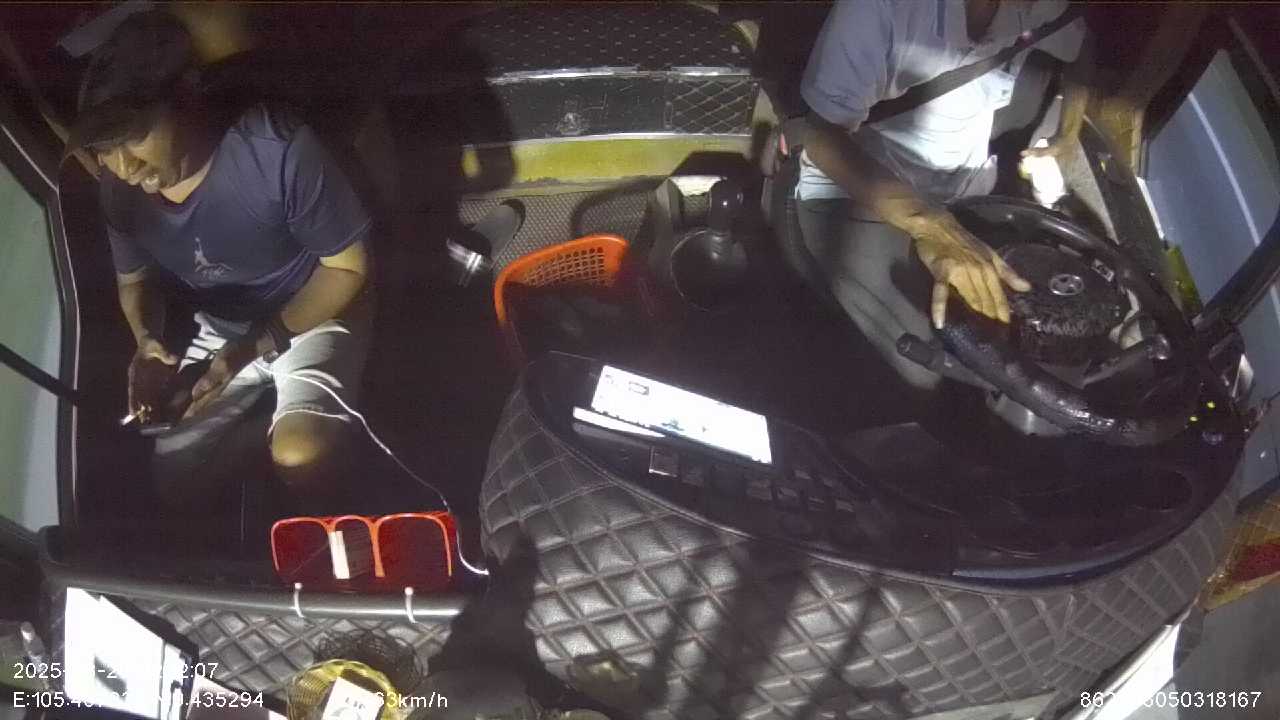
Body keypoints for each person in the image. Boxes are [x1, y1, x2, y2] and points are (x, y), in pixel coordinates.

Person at [66, 11, 375, 512]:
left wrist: (256, 346)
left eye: (135, 133)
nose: (124, 166)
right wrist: (146, 339)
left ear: (186, 95)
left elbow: (348, 269)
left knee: (300, 458)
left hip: (314, 307)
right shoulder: (118, 191)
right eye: (105, 147)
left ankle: (313, 435)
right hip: (224, 327)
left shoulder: (273, 149)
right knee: (176, 483)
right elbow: (134, 281)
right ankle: (273, 423)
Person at [795, 0, 1091, 395]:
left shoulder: (1037, 5)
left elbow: (1082, 44)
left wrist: (1068, 135)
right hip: (860, 195)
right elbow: (821, 138)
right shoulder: (877, 9)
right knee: (934, 369)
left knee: (1032, 338)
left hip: (965, 191)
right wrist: (932, 226)